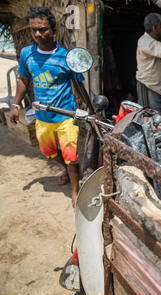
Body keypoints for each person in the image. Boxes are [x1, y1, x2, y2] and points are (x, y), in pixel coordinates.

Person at [10, 7, 88, 208]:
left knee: (71, 154)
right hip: (42, 116)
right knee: (49, 152)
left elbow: (79, 85)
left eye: (43, 29)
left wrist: (91, 108)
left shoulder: (67, 57)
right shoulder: (27, 54)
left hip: (65, 115)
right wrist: (16, 104)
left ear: (53, 31)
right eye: (34, 30)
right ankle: (69, 171)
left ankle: (75, 188)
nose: (38, 34)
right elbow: (23, 80)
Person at [136, 8, 161, 113]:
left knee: (155, 115)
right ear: (154, 27)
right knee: (150, 116)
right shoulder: (145, 41)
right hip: (149, 86)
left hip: (155, 86)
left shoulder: (151, 41)